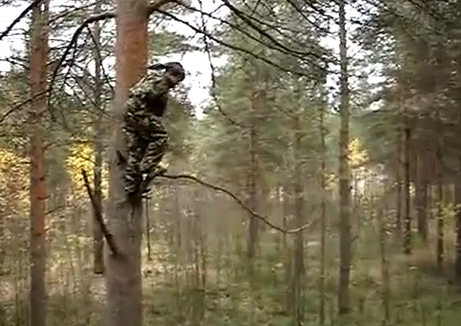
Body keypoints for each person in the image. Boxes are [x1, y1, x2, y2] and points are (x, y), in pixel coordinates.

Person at [122, 62, 185, 202]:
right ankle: (147, 167)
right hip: (137, 113)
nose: (177, 84)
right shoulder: (159, 81)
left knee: (139, 146)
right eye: (178, 80)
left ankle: (131, 186)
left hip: (133, 114)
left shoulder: (156, 80)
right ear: (171, 74)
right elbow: (139, 94)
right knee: (161, 137)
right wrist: (142, 115)